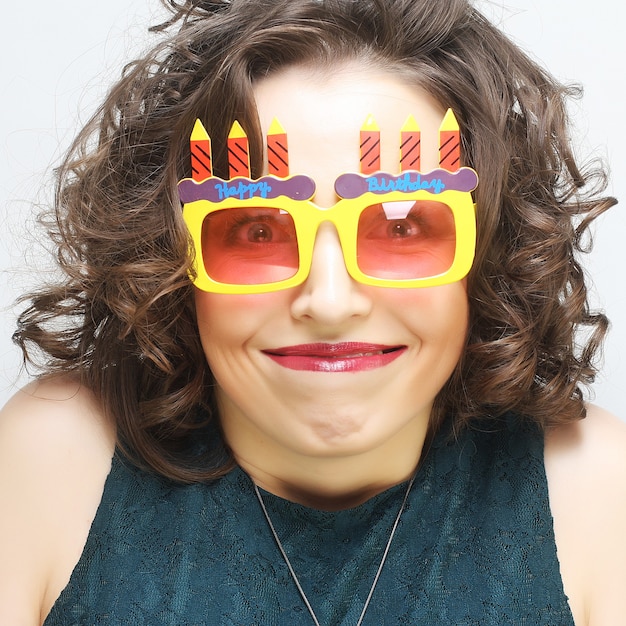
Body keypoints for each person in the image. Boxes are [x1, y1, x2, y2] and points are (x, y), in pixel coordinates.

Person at [1, 0, 625, 624]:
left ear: (490, 250)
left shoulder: (593, 492)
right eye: (255, 231)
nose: (329, 302)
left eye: (402, 228)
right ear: (170, 259)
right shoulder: (56, 463)